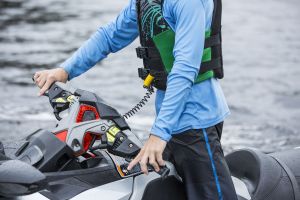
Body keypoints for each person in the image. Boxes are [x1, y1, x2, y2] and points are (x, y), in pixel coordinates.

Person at [34, 0, 238, 199]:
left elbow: (185, 68)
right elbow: (110, 35)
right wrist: (65, 70)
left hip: (197, 121)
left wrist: (159, 135)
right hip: (170, 121)